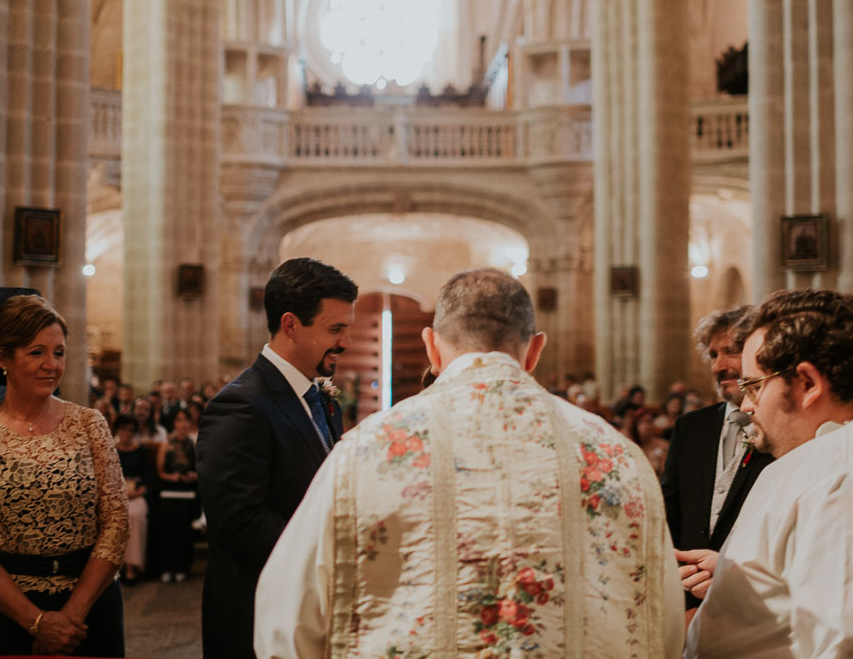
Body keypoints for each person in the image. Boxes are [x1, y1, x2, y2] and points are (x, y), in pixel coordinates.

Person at [254, 268, 682, 657]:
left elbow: (287, 617)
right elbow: (661, 620)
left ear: (431, 348)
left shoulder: (367, 451)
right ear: (535, 351)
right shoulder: (615, 456)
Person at [684, 289, 853, 657]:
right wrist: (742, 578)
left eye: (754, 385)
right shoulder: (844, 450)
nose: (747, 405)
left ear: (807, 383)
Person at [0, 293, 129, 657]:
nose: (51, 365)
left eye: (58, 352)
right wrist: (37, 621)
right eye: (36, 352)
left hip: (88, 607)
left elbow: (116, 523)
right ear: (2, 359)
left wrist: (70, 616)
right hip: (0, 610)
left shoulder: (90, 424)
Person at [196, 257, 357, 659]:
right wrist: (327, 556)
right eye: (335, 329)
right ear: (290, 325)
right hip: (257, 609)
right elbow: (238, 521)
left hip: (308, 606)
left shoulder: (321, 396)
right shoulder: (240, 404)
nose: (345, 342)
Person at [661, 306, 772, 610]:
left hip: (751, 596)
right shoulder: (691, 426)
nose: (719, 367)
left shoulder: (780, 429)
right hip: (685, 590)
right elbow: (669, 513)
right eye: (713, 355)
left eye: (731, 351)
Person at [155, 407, 199, 583]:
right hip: (169, 491)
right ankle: (167, 566)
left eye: (185, 420)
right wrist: (170, 476)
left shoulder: (194, 443)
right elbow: (160, 470)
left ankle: (182, 567)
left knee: (184, 531)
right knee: (167, 531)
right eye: (179, 420)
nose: (182, 424)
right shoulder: (166, 443)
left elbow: (199, 467)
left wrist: (194, 476)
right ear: (174, 423)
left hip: (187, 491)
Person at [112, 416, 150, 586]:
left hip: (136, 494)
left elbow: (148, 478)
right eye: (123, 429)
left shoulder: (141, 451)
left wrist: (139, 491)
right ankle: (114, 566)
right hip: (115, 494)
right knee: (116, 517)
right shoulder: (110, 449)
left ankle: (132, 567)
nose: (126, 433)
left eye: (129, 430)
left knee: (136, 515)